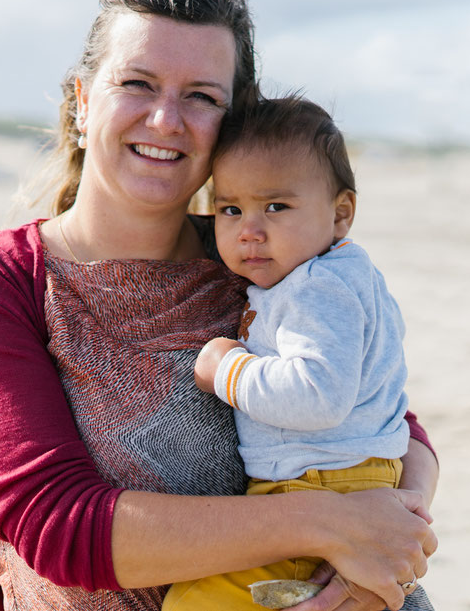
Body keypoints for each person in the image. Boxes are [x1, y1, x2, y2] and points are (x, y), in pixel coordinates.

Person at [0, 0, 439, 611]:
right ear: (84, 101)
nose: (166, 119)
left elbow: (386, 414)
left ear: (233, 122)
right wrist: (332, 523)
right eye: (137, 83)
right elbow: (52, 523)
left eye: (201, 96)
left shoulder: (258, 257)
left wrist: (385, 554)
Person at [162, 97, 432, 611]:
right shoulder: (341, 275)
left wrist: (227, 369)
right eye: (231, 208)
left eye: (276, 207)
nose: (250, 230)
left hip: (320, 485)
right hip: (344, 479)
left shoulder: (316, 288)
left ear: (340, 214)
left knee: (193, 603)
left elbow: (317, 396)